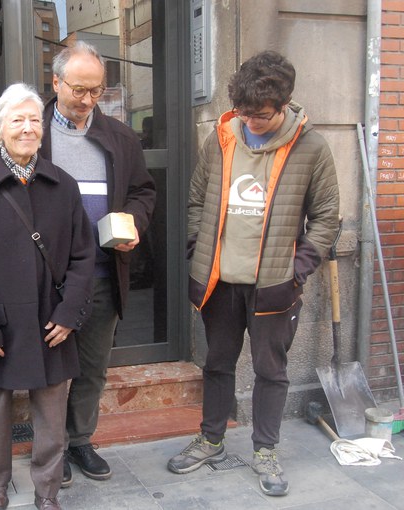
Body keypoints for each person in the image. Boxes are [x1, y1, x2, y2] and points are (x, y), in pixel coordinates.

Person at [0, 42, 156, 487]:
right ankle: (52, 451)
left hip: (100, 269)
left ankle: (80, 438)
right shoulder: (31, 123)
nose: (87, 99)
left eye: (96, 90)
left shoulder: (120, 136)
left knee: (91, 365)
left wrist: (135, 223)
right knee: (44, 368)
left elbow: (144, 191)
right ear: (56, 82)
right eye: (79, 88)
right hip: (41, 281)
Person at [166, 51, 340, 497]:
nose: (251, 122)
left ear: (284, 104)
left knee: (271, 371)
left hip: (275, 286)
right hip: (221, 282)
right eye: (244, 113)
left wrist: (298, 269)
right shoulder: (222, 137)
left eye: (260, 115)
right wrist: (196, 245)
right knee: (217, 364)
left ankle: (265, 449)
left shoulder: (312, 147)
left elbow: (326, 217)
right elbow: (197, 197)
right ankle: (210, 439)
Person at [0, 83, 95, 510]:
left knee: (52, 415)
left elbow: (84, 255)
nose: (28, 128)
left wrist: (70, 313)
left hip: (51, 320)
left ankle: (47, 492)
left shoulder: (63, 186)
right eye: (17, 119)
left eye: (34, 119)